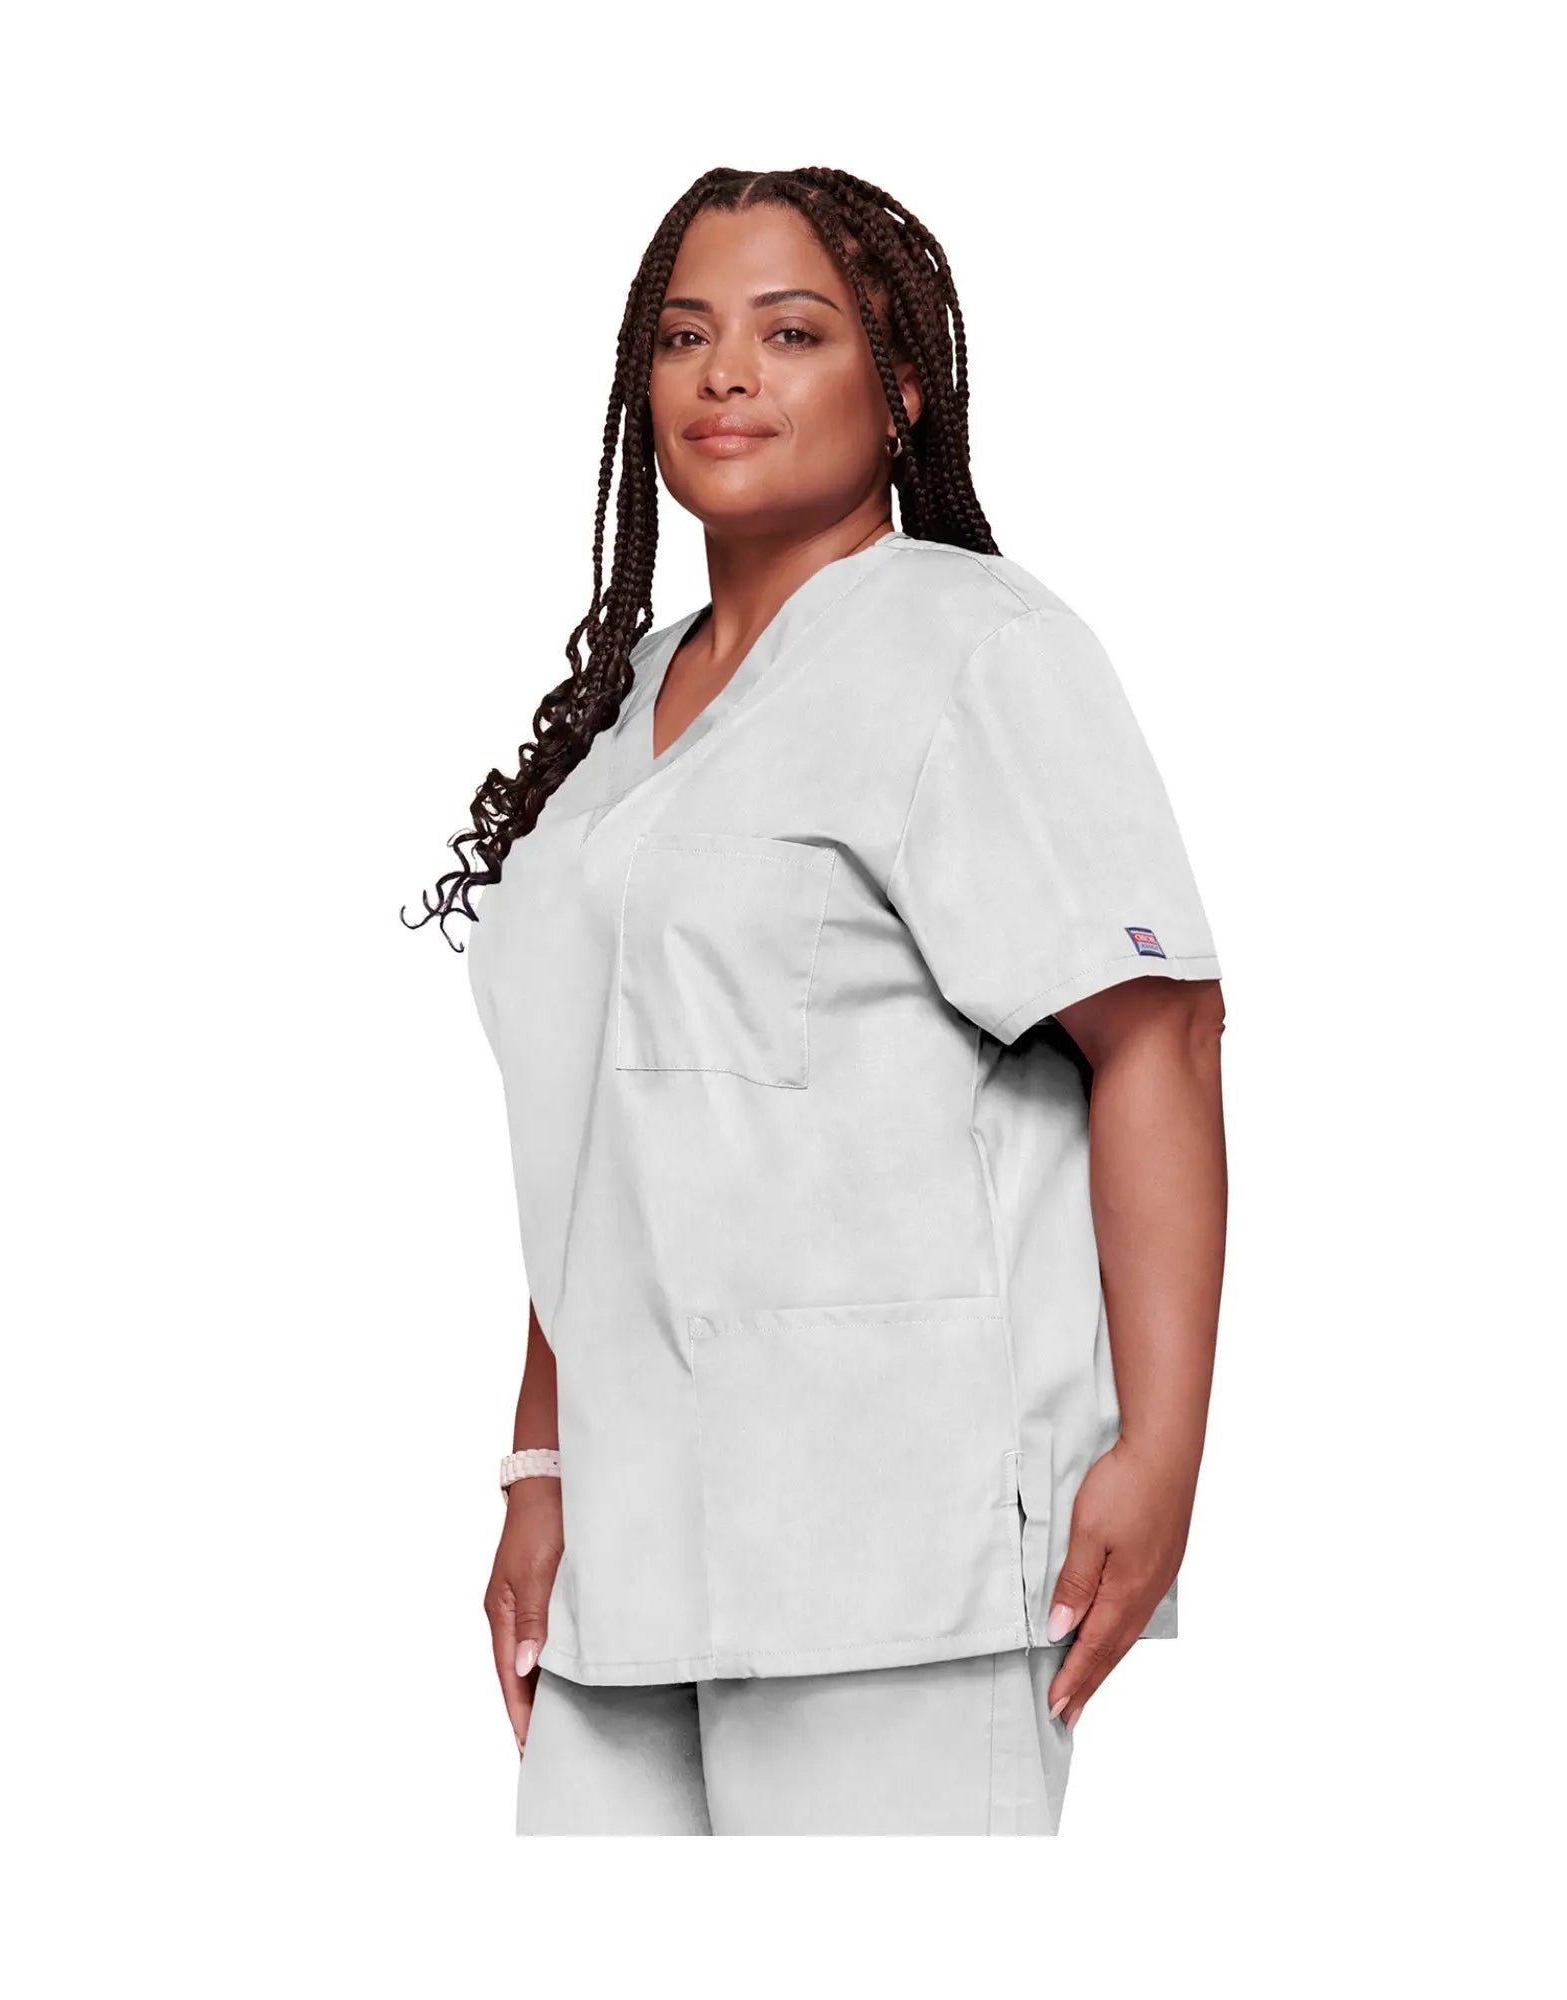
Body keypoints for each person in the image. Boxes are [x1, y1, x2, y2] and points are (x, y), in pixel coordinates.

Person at [404, 165, 1228, 1835]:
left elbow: (1159, 1037)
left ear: (901, 384)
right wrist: (539, 1464)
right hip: (629, 1559)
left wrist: (1162, 1456)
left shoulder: (974, 648)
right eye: (683, 336)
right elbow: (602, 1125)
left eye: (792, 333)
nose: (726, 374)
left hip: (898, 1552)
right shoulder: (631, 703)